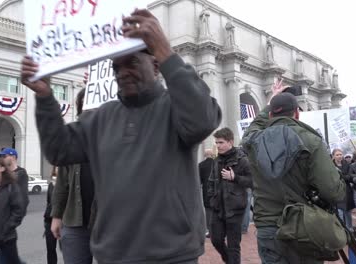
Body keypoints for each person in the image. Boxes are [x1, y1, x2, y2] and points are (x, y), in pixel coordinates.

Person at [20, 8, 221, 264]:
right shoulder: (99, 118)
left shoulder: (175, 108)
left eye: (132, 63)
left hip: (172, 255)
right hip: (112, 255)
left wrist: (165, 50)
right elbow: (58, 150)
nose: (122, 72)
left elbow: (203, 120)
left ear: (156, 65)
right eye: (117, 67)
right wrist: (44, 96)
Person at [242, 79, 345, 264]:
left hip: (267, 226)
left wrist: (270, 102)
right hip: (303, 226)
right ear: (297, 113)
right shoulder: (312, 141)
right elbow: (332, 190)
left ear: (271, 114)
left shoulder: (253, 141)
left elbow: (252, 128)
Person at [50, 88, 95, 264]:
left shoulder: (114, 134)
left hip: (109, 222)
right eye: (85, 104)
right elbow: (62, 183)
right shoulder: (72, 137)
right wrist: (56, 216)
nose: (89, 108)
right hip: (75, 220)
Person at [208, 128, 252, 264]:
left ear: (230, 142)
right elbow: (211, 181)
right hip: (218, 209)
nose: (218, 145)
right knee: (215, 240)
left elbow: (253, 181)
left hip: (235, 209)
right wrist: (211, 198)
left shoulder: (242, 160)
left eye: (221, 142)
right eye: (216, 143)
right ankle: (229, 260)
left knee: (233, 246)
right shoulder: (216, 161)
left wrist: (235, 177)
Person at [0, 148, 29, 264]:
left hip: (9, 219)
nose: (2, 159)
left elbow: (23, 200)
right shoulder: (3, 174)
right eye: (1, 157)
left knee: (4, 251)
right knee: (8, 253)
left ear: (13, 157)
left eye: (4, 156)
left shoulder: (21, 173)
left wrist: (15, 220)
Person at [331, 148, 354, 230]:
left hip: (347, 191)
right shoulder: (331, 166)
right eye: (337, 155)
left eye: (340, 154)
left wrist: (342, 177)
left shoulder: (347, 165)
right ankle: (342, 229)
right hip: (337, 191)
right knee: (339, 212)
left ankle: (350, 228)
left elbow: (350, 176)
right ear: (333, 156)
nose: (339, 156)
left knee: (347, 212)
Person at [198, 149, 214, 238]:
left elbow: (199, 180)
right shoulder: (217, 163)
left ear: (205, 155)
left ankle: (210, 231)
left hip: (206, 191)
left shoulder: (201, 165)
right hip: (217, 190)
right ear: (212, 155)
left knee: (208, 211)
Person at [44, 168, 58, 264]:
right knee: (50, 249)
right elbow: (48, 202)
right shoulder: (51, 184)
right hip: (49, 221)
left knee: (67, 250)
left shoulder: (69, 182)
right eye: (56, 166)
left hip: (64, 221)